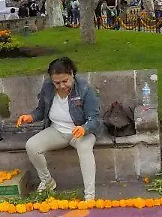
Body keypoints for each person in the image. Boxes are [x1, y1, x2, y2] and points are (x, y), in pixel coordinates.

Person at [16, 57, 100, 200]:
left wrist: (84, 128)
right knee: (31, 145)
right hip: (57, 130)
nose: (61, 86)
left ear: (72, 74)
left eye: (65, 81)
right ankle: (47, 181)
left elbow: (95, 119)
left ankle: (90, 195)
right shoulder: (48, 87)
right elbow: (41, 110)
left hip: (80, 132)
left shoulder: (85, 89)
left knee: (85, 148)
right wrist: (30, 117)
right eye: (57, 82)